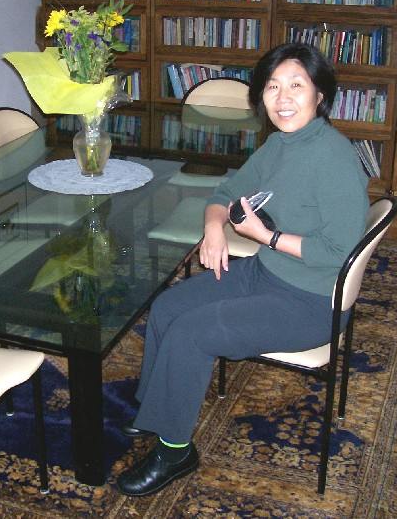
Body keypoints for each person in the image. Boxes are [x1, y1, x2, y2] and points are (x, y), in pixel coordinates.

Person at [116, 43, 369, 497]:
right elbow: (228, 190)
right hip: (266, 274)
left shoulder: (334, 158)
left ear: (320, 95)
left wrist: (265, 236)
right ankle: (156, 411)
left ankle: (175, 452)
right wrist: (214, 228)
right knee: (169, 306)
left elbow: (338, 251)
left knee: (192, 332)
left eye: (296, 86)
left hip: (311, 301)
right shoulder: (280, 144)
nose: (283, 98)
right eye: (272, 87)